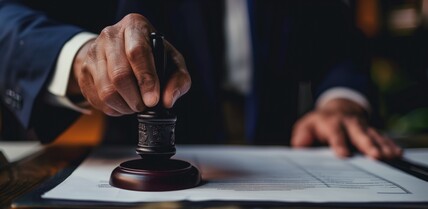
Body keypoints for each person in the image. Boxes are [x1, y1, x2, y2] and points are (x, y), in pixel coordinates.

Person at [0, 0, 402, 159]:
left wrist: (341, 99)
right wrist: (76, 55)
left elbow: (338, 40)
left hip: (284, 158)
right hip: (135, 173)